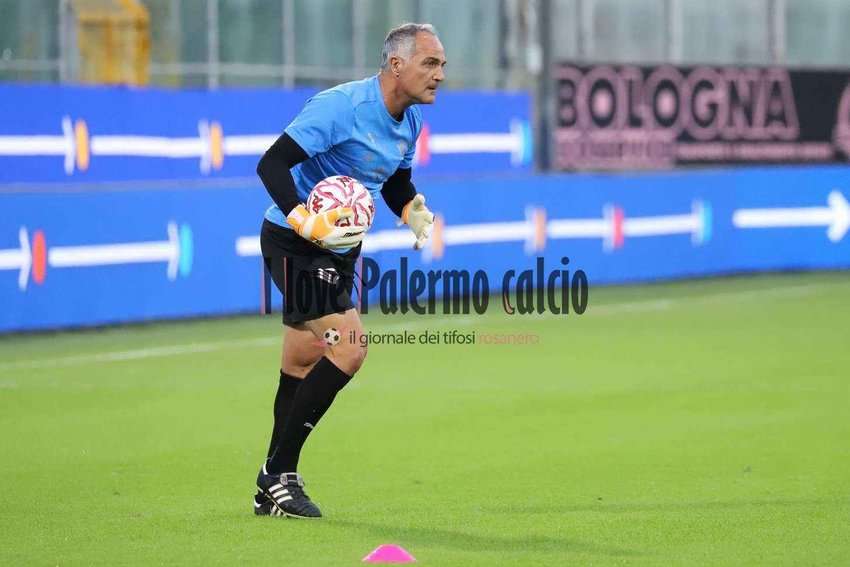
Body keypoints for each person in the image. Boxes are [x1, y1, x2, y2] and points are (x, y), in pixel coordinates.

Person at [252, 23, 446, 518]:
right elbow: (272, 164)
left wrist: (412, 210)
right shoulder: (341, 107)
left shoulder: (410, 121)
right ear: (396, 65)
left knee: (301, 361)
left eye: (442, 65)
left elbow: (394, 182)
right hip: (293, 241)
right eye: (430, 63)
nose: (440, 74)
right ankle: (278, 473)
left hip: (339, 252)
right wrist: (303, 217)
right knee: (350, 347)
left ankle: (270, 489)